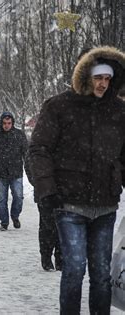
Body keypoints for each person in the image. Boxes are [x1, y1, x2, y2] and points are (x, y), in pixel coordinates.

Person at [28, 46, 125, 314]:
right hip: (69, 204)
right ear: (85, 77)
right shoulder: (59, 106)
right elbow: (39, 149)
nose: (103, 84)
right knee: (73, 270)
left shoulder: (119, 111)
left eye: (108, 79)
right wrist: (47, 190)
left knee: (102, 274)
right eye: (98, 78)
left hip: (105, 205)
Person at [0, 112, 28, 231]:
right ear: (1, 123)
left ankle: (15, 216)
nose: (6, 125)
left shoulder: (19, 135)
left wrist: (27, 166)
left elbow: (25, 152)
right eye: (4, 123)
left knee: (18, 196)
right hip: (0, 172)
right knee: (2, 199)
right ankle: (4, 221)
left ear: (12, 123)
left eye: (9, 123)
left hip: (16, 171)